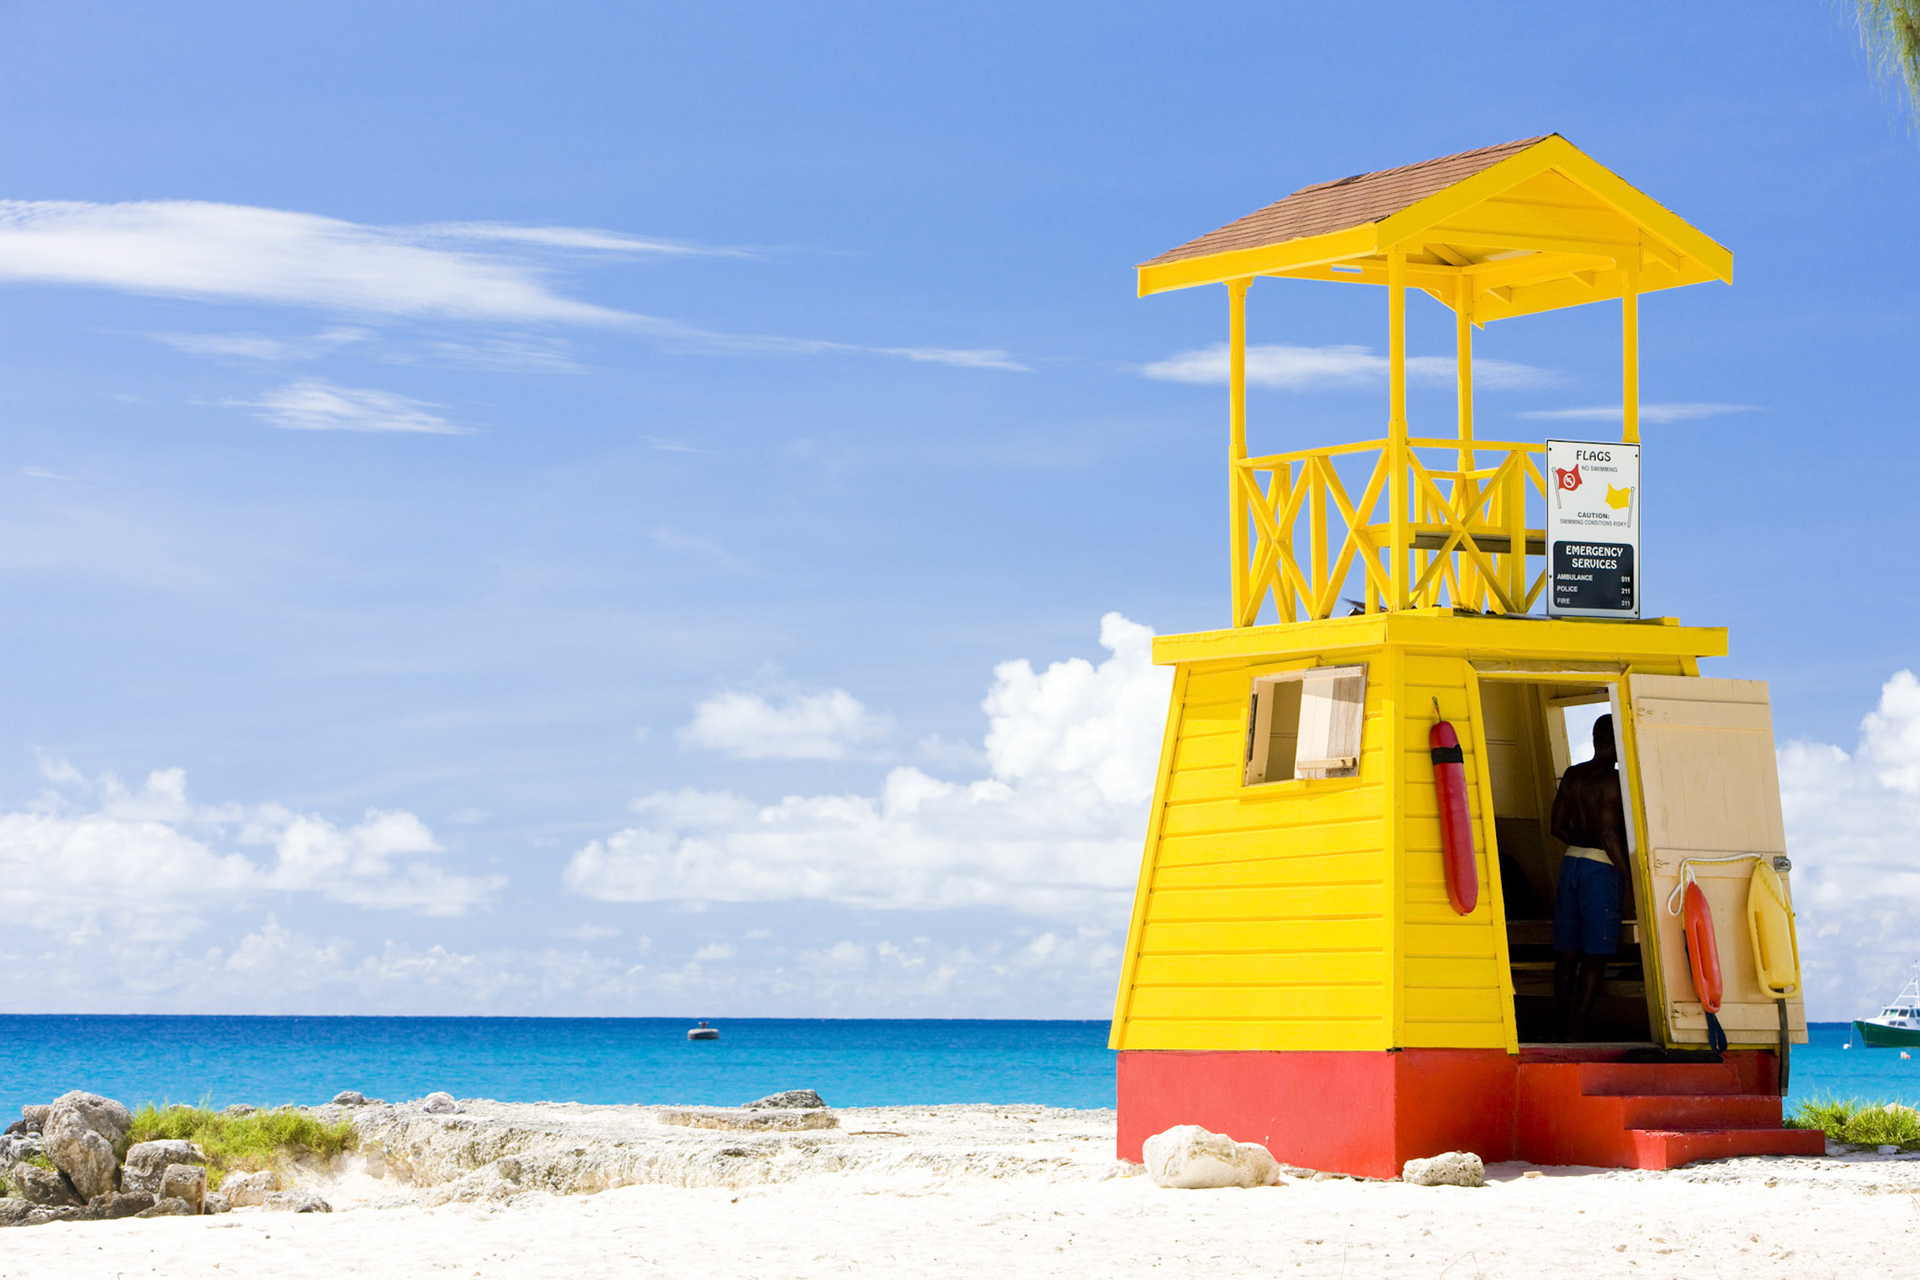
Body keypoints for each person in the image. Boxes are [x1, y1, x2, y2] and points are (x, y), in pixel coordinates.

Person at [1549, 714, 1633, 1041]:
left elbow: (1556, 827)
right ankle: (1576, 1029)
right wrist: (1631, 882)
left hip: (1571, 864)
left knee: (1567, 954)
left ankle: (1558, 1024)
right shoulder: (1611, 781)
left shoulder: (1573, 775)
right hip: (1601, 867)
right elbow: (1610, 836)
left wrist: (1581, 841)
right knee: (1595, 955)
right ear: (1614, 741)